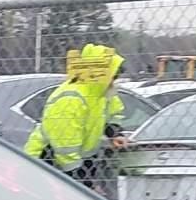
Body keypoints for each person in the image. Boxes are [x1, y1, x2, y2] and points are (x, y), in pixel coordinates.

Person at [23, 43, 128, 185]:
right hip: (47, 164)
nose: (114, 82)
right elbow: (65, 150)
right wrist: (84, 185)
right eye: (113, 77)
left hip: (78, 164)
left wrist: (115, 134)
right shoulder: (71, 98)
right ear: (101, 73)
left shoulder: (101, 94)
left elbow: (114, 113)